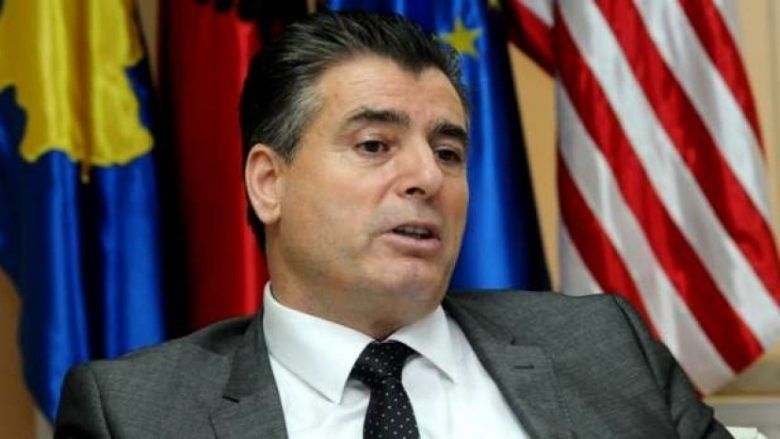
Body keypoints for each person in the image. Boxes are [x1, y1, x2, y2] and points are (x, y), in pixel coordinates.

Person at [55, 10, 731, 439]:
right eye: (375, 145)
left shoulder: (603, 345)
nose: (427, 177)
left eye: (449, 152)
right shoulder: (138, 414)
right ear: (268, 182)